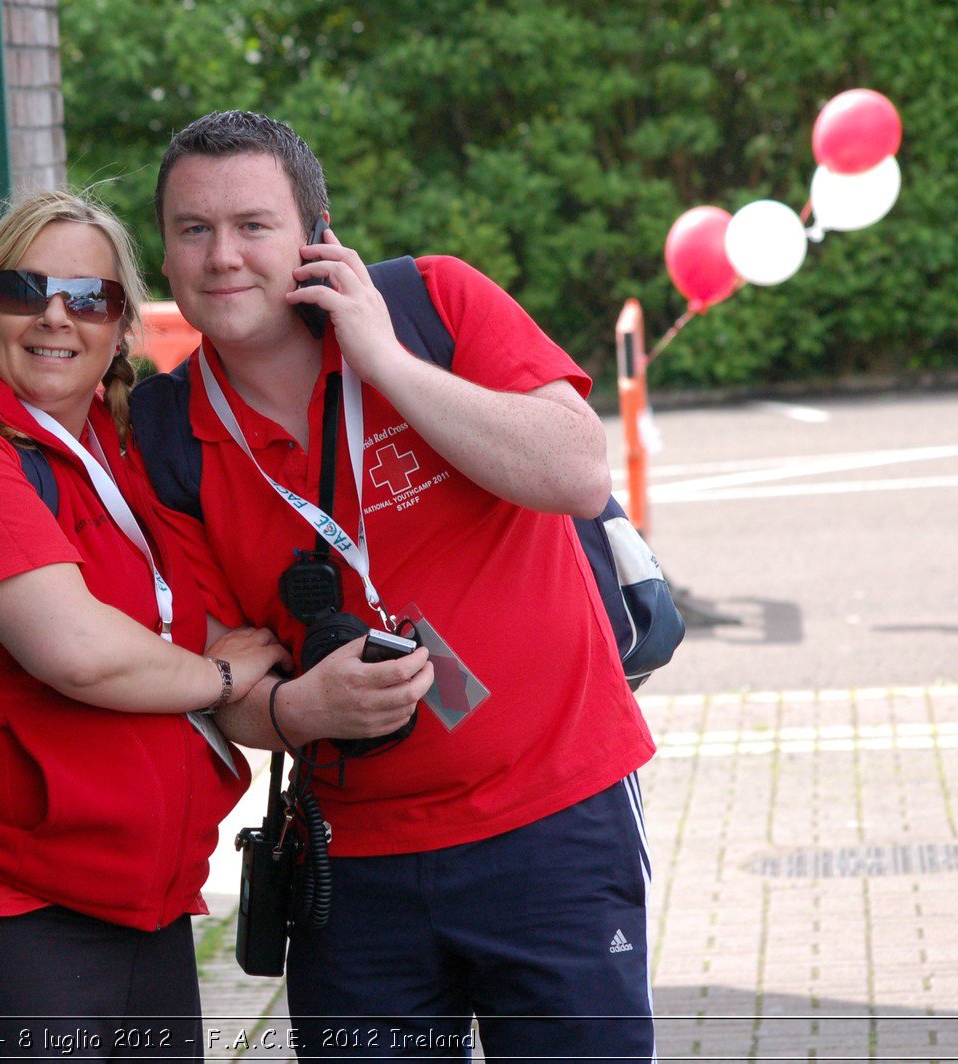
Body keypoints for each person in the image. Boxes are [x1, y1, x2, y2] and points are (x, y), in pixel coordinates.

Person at [132, 111, 658, 1059]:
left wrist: (383, 360)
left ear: (317, 237)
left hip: (552, 823)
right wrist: (300, 709)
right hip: (354, 868)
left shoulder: (434, 303)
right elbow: (225, 687)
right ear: (163, 258)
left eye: (254, 225)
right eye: (193, 231)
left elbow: (577, 470)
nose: (222, 257)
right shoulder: (167, 432)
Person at [0, 187, 297, 1062]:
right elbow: (79, 652)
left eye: (89, 299)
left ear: (121, 326)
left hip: (142, 907)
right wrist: (223, 679)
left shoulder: (122, 461)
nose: (57, 317)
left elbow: (205, 621)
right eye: (23, 291)